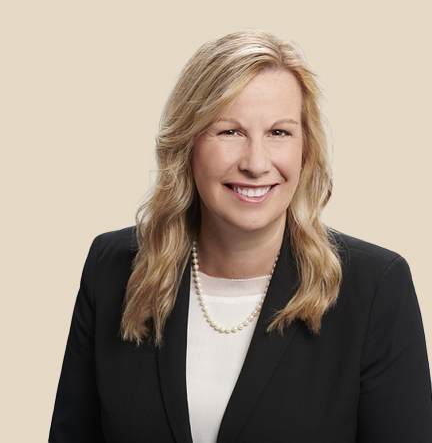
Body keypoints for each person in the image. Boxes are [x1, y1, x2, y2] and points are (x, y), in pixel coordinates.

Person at [49, 30, 432, 443]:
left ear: (306, 149)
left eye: (279, 133)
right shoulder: (110, 268)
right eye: (229, 131)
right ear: (188, 144)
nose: (255, 162)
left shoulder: (375, 287)